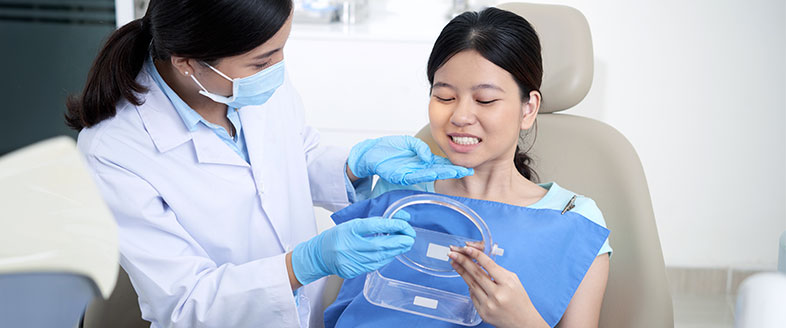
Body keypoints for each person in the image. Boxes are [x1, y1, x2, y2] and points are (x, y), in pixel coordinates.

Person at [64, 1, 472, 327]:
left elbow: (297, 154)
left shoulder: (244, 82)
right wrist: (303, 264)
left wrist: (354, 165)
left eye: (281, 51)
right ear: (188, 63)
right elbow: (184, 303)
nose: (276, 70)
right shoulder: (114, 152)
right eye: (261, 62)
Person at [324, 7, 612, 328]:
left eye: (485, 100)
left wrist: (524, 322)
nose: (460, 116)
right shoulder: (396, 195)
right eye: (444, 97)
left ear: (528, 109)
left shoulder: (575, 223)